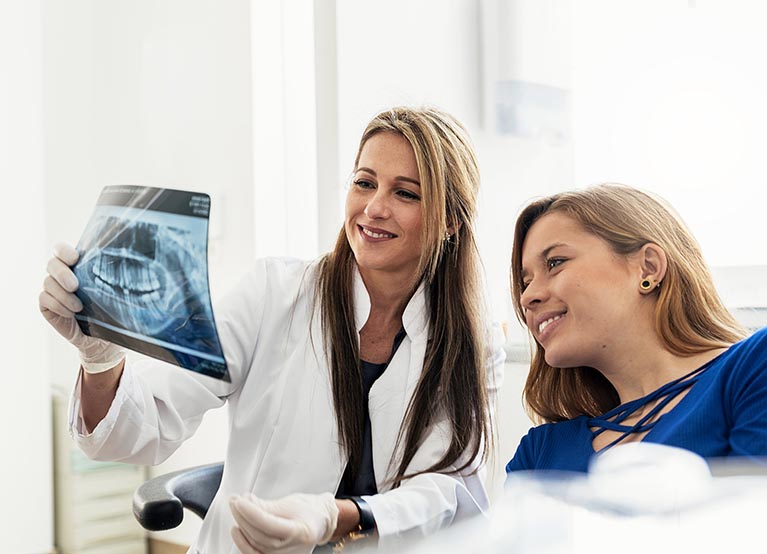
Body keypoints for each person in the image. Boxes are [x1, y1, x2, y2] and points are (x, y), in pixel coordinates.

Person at [39, 106, 506, 553]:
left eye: (406, 193)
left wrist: (338, 516)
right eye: (364, 182)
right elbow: (146, 421)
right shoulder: (273, 294)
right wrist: (100, 357)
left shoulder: (471, 340)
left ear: (449, 220)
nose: (374, 207)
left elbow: (449, 492)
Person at [505, 183, 767, 474]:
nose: (527, 297)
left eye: (555, 263)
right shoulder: (539, 453)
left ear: (648, 268)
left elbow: (751, 514)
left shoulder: (754, 369)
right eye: (526, 282)